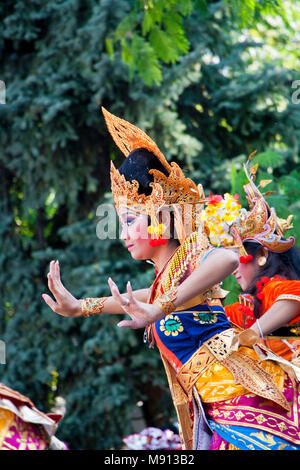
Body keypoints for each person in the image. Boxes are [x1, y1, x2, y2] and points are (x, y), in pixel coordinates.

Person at [43, 108, 300, 450]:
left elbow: (224, 257)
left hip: (243, 402)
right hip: (217, 409)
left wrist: (162, 307)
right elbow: (144, 299)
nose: (124, 234)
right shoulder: (169, 275)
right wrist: (80, 307)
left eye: (131, 220)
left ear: (161, 220)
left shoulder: (192, 255)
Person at [225, 159, 300, 363]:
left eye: (236, 258)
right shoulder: (253, 302)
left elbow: (297, 293)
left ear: (262, 255)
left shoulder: (274, 287)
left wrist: (250, 334)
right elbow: (214, 316)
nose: (231, 270)